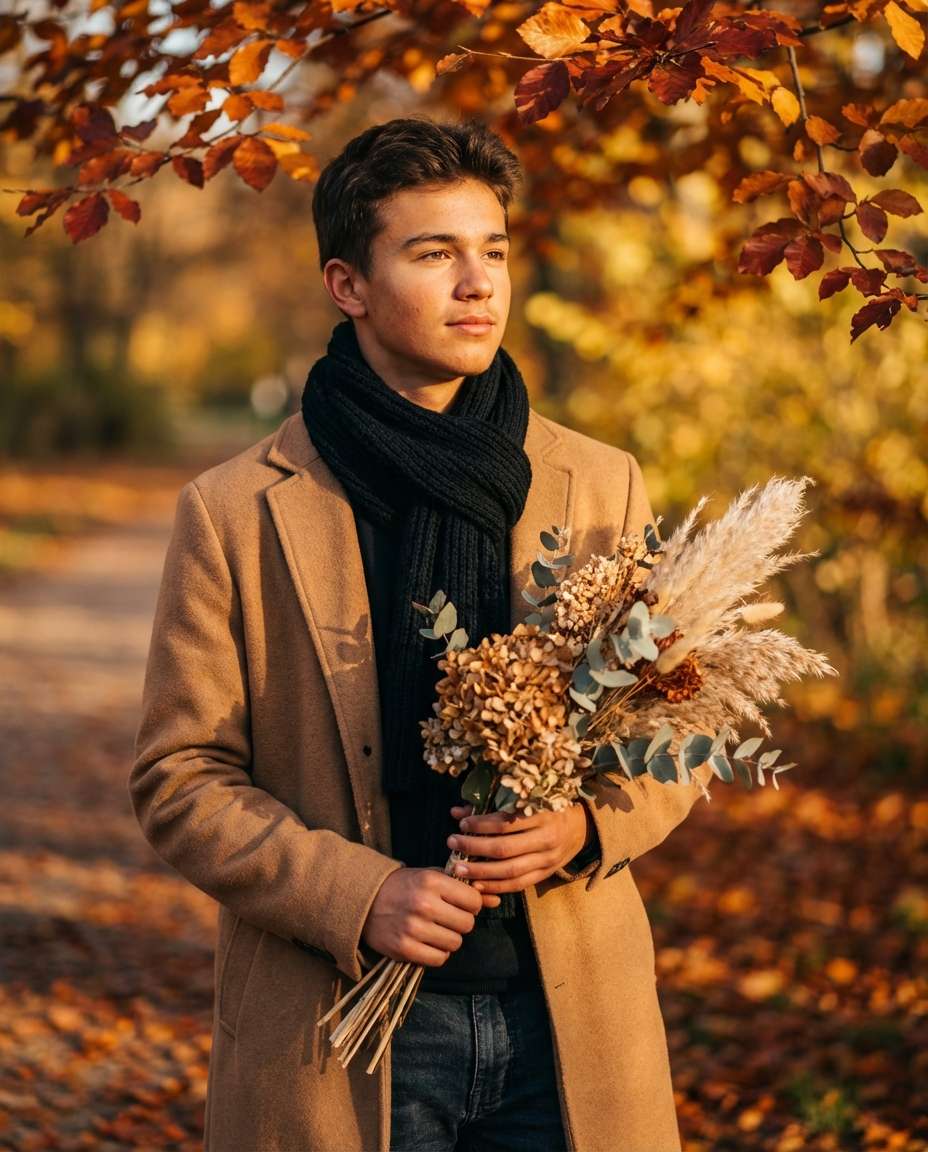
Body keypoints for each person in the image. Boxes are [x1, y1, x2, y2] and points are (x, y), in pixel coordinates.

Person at [129, 115, 712, 1152]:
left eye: (491, 250)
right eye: (433, 253)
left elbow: (676, 724)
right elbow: (180, 776)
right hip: (338, 1037)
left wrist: (582, 827)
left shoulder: (597, 481)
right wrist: (360, 895)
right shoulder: (234, 508)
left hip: (567, 1021)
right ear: (347, 284)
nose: (477, 283)